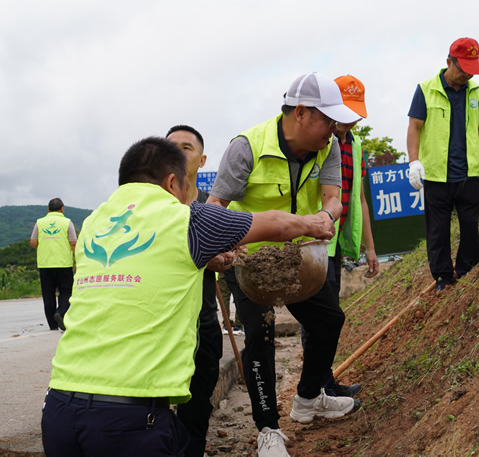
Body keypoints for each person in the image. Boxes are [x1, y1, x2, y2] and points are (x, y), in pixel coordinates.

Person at [41, 137, 334, 457]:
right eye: (184, 189)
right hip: (128, 421)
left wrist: (209, 259)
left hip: (58, 409)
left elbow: (156, 261)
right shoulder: (186, 219)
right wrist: (316, 223)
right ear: (171, 183)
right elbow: (275, 224)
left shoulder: (93, 223)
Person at [207, 72, 361, 457]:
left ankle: (308, 398)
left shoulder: (329, 147)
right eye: (328, 120)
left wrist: (326, 216)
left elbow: (333, 198)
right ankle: (268, 430)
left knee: (329, 320)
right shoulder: (247, 148)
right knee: (259, 335)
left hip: (298, 258)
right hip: (251, 261)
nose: (334, 129)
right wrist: (221, 250)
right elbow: (214, 209)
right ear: (302, 113)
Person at [301, 75, 379, 398]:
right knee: (320, 316)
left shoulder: (356, 145)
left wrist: (370, 248)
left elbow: (359, 198)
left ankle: (324, 383)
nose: (350, 119)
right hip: (315, 240)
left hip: (335, 241)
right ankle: (318, 388)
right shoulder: (319, 141)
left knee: (329, 314)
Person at [406, 37, 479, 293]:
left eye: (472, 70)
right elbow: (414, 127)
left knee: (470, 225)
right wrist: (413, 161)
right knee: (438, 231)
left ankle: (468, 269)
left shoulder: (476, 92)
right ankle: (443, 278)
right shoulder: (425, 90)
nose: (467, 75)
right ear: (449, 62)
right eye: (463, 69)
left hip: (468, 174)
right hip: (437, 175)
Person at [165, 124, 223, 457]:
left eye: (186, 147)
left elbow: (233, 248)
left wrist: (224, 256)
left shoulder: (211, 208)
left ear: (202, 160)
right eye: (171, 146)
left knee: (198, 397)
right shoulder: (151, 207)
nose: (177, 152)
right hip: (160, 319)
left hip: (201, 317)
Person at [30, 198, 77, 331]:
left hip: (45, 264)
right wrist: (77, 261)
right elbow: (73, 243)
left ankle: (52, 325)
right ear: (62, 209)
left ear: (48, 209)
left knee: (48, 294)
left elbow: (33, 242)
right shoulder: (67, 222)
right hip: (64, 264)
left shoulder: (39, 223)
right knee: (66, 291)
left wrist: (44, 248)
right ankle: (60, 313)